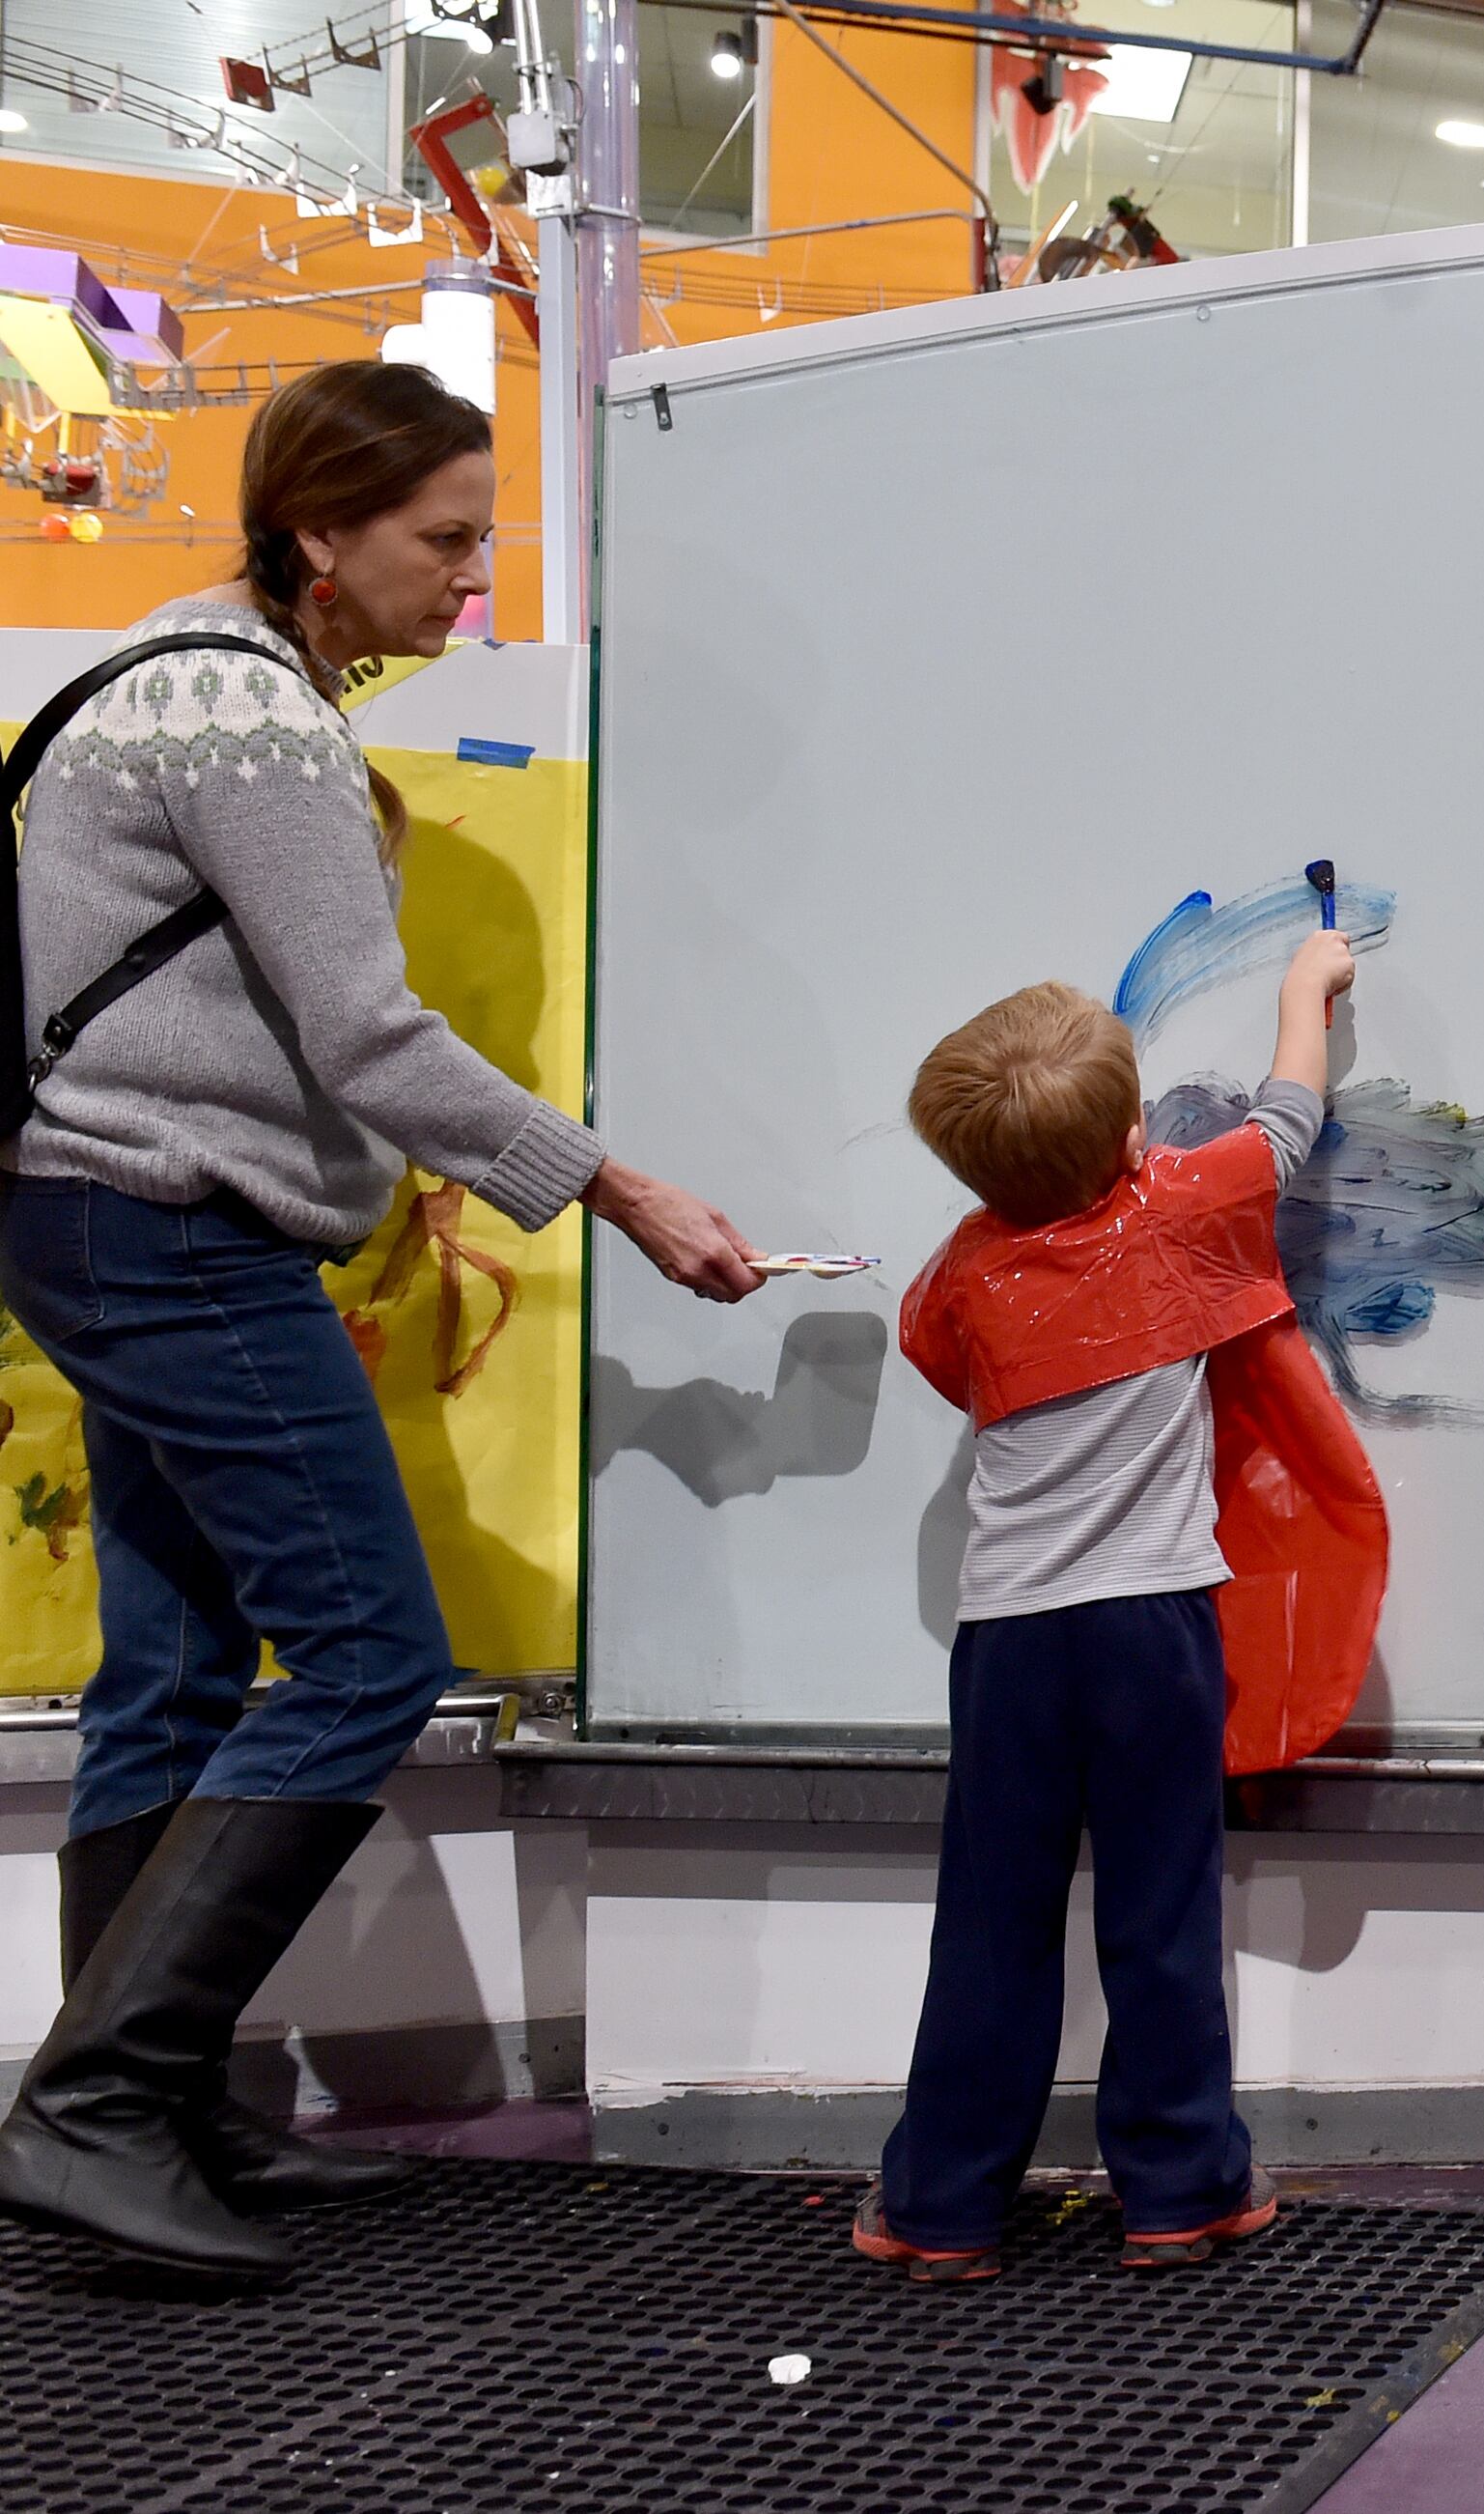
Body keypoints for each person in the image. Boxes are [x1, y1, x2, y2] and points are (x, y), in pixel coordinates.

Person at [0, 362, 765, 2281]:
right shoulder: (248, 717)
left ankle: (149, 2108)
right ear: (320, 533)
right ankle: (95, 2105)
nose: (471, 578)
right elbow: (364, 1033)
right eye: (441, 538)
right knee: (359, 1659)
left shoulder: (155, 671)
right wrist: (622, 1184)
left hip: (91, 1218)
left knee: (171, 1679)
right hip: (176, 1233)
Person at [854, 936, 1375, 2283]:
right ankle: (1182, 2190)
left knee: (991, 1920)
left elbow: (936, 1358)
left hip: (1013, 1637)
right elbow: (1290, 1120)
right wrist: (1303, 992)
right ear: (1136, 1133)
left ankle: (942, 2207)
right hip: (1155, 1632)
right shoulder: (1185, 1208)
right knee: (1161, 1915)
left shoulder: (966, 1270)